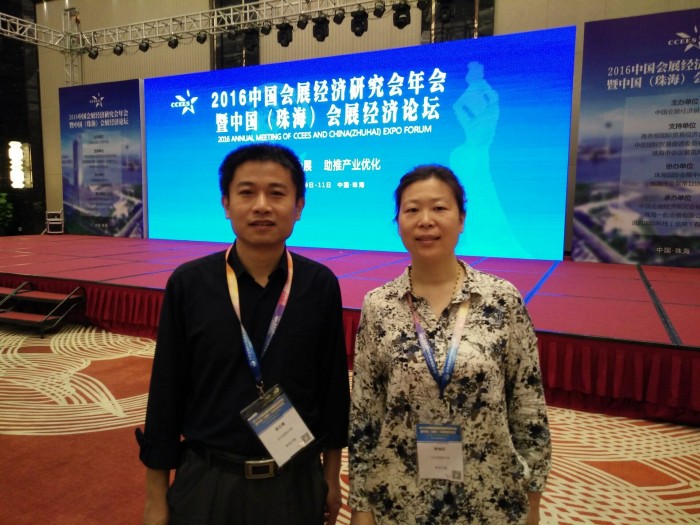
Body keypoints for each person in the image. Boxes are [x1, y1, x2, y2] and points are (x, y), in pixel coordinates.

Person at [136, 143, 350, 525]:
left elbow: (332, 391)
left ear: (299, 206)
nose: (262, 206)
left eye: (277, 193)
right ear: (226, 204)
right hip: (209, 481)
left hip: (295, 482)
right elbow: (166, 392)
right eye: (247, 192)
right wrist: (155, 497)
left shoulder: (319, 285)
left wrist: (331, 479)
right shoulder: (189, 284)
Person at [348, 165, 551, 524]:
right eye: (412, 210)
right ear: (398, 223)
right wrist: (362, 504)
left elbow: (528, 402)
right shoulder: (379, 305)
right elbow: (366, 411)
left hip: (490, 494)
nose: (425, 221)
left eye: (439, 208)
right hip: (401, 496)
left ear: (461, 219)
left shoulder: (501, 299)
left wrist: (532, 494)